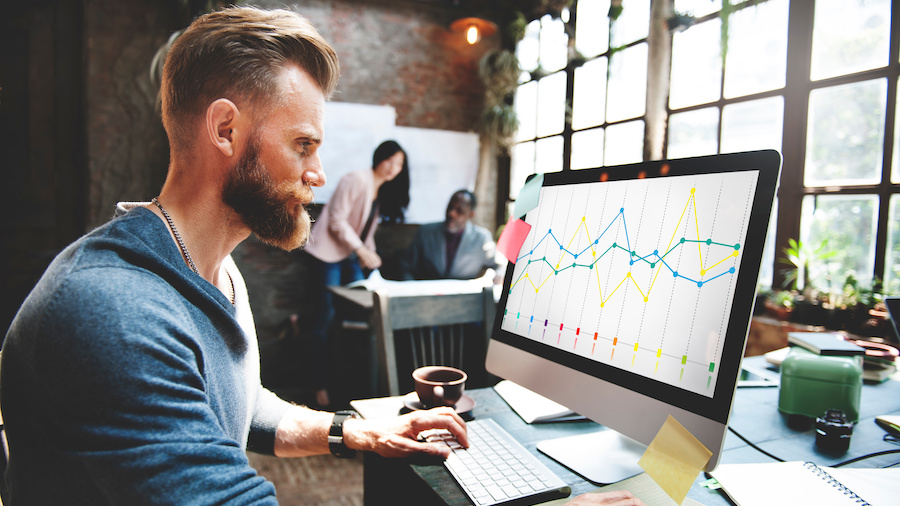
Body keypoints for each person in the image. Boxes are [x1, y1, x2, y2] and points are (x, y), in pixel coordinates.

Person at [0, 7, 646, 506]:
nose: (318, 175)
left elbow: (244, 406)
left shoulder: (215, 270)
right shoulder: (113, 313)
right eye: (303, 145)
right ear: (225, 130)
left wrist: (350, 431)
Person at [303, 140, 410, 407]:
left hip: (350, 256)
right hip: (328, 255)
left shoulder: (380, 190)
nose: (393, 169)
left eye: (399, 165)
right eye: (390, 161)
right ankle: (318, 386)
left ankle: (348, 384)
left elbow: (365, 231)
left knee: (356, 318)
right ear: (379, 157)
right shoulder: (356, 179)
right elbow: (337, 221)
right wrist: (362, 250)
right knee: (325, 319)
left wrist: (370, 255)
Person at [401, 189, 502, 283]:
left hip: (465, 297)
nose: (451, 213)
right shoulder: (426, 232)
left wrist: (498, 275)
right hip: (428, 296)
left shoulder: (482, 238)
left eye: (459, 210)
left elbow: (498, 265)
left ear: (471, 214)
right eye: (450, 207)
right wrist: (413, 289)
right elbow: (406, 266)